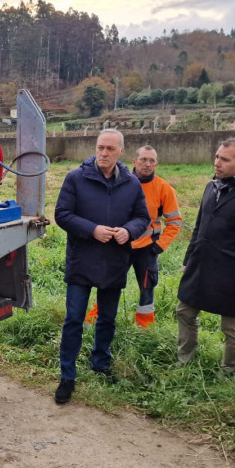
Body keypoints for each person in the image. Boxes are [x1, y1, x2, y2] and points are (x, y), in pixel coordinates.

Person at [53, 129, 150, 404]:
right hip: (82, 260)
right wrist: (92, 229)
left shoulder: (131, 183)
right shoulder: (76, 178)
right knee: (74, 319)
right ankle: (67, 376)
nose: (104, 153)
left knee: (107, 319)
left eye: (110, 149)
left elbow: (142, 217)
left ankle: (100, 363)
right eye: (100, 147)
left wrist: (128, 232)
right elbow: (62, 214)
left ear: (121, 152)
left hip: (114, 261)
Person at [175, 138, 235, 376]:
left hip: (233, 272)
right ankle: (184, 360)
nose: (217, 162)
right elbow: (199, 227)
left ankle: (229, 371)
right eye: (217, 156)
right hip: (201, 264)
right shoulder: (212, 186)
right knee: (184, 312)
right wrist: (189, 259)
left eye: (224, 159)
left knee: (231, 325)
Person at [130, 145, 183, 328]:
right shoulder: (121, 183)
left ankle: (145, 327)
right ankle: (95, 320)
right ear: (134, 161)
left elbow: (175, 221)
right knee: (107, 283)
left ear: (156, 164)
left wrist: (159, 246)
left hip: (147, 248)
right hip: (119, 245)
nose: (147, 164)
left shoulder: (163, 188)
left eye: (152, 160)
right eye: (143, 159)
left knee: (147, 287)